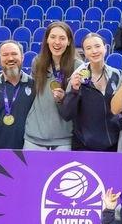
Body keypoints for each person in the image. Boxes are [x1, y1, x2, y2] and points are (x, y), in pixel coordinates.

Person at [26, 21, 81, 150]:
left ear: (69, 41)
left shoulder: (77, 66)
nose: (57, 42)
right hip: (33, 136)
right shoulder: (37, 62)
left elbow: (79, 103)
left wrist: (65, 99)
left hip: (64, 137)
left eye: (62, 38)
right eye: (53, 37)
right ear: (47, 40)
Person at [62, 32, 122, 151]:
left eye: (97, 46)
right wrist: (74, 91)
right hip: (84, 146)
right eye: (89, 48)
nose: (94, 51)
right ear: (84, 53)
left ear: (105, 48)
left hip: (112, 144)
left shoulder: (115, 74)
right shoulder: (77, 77)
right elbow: (66, 114)